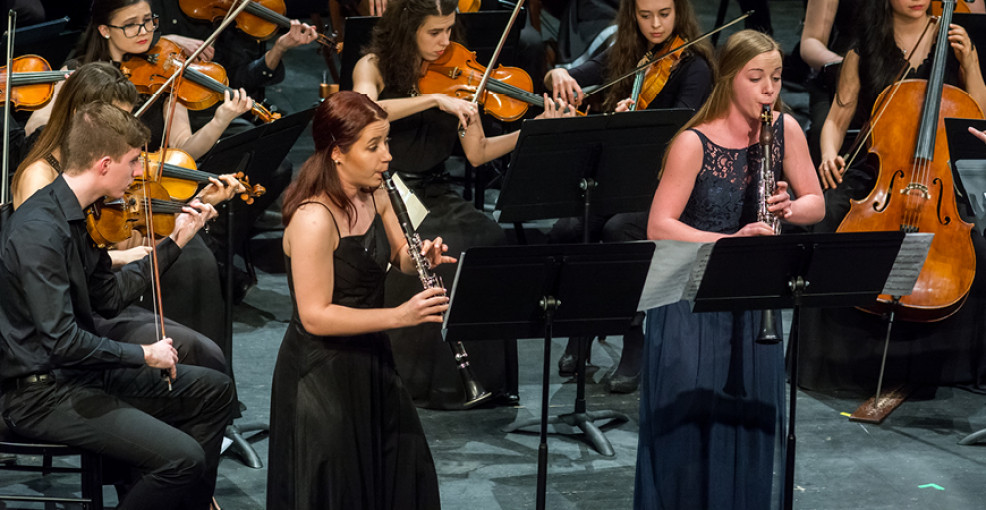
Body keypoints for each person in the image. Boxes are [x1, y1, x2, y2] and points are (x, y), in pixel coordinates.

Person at [0, 101, 234, 510]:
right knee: (182, 458)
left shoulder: (74, 215)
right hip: (39, 395)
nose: (140, 172)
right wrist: (144, 354)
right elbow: (62, 342)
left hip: (76, 376)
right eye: (133, 162)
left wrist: (175, 240)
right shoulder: (40, 231)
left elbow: (108, 296)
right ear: (104, 164)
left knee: (216, 391)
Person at [351, 0, 573, 409]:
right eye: (434, 32)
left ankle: (487, 379)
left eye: (449, 31)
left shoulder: (458, 76)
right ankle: (422, 383)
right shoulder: (373, 65)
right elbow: (365, 112)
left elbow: (479, 152)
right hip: (386, 189)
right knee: (437, 244)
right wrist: (433, 100)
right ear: (407, 29)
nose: (444, 41)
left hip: (434, 190)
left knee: (488, 236)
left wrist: (534, 130)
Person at [637, 30, 824, 509]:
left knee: (745, 423)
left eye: (777, 78)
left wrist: (789, 208)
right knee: (692, 433)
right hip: (688, 300)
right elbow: (660, 225)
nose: (769, 89)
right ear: (728, 78)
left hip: (753, 300)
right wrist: (731, 242)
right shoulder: (692, 143)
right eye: (755, 77)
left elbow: (816, 204)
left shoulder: (786, 130)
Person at [267, 91, 450, 510]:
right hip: (321, 372)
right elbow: (315, 317)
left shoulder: (379, 190)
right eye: (373, 146)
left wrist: (419, 257)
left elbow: (400, 255)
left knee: (405, 470)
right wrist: (401, 316)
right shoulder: (314, 218)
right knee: (338, 487)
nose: (387, 156)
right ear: (336, 152)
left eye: (386, 142)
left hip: (371, 359)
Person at [798, 0, 986, 392]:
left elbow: (977, 115)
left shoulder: (954, 40)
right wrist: (830, 151)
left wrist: (969, 64)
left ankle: (954, 369)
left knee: (978, 246)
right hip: (880, 172)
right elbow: (837, 116)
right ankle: (826, 363)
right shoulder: (864, 43)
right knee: (828, 218)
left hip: (938, 176)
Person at [12, 62, 235, 370]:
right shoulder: (40, 176)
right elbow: (49, 265)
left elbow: (128, 215)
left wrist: (192, 205)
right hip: (71, 321)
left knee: (197, 269)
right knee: (190, 340)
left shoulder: (98, 167)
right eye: (116, 119)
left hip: (101, 293)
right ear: (83, 116)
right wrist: (124, 256)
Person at [542, 0, 713, 392]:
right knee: (570, 228)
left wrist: (632, 122)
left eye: (664, 14)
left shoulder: (694, 65)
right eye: (645, 15)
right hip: (623, 180)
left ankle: (634, 337)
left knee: (620, 230)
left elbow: (677, 131)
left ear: (679, 11)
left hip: (667, 185)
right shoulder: (626, 49)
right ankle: (579, 329)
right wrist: (558, 74)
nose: (655, 24)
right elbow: (580, 73)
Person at [26, 0, 254, 160]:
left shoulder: (164, 76)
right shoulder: (77, 70)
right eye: (131, 25)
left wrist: (219, 122)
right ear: (105, 30)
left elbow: (183, 148)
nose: (145, 31)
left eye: (148, 21)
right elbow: (35, 128)